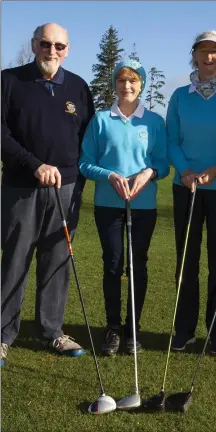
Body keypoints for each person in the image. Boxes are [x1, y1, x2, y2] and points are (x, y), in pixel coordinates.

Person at [1, 23, 95, 366]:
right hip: (21, 187)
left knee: (57, 261)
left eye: (58, 45)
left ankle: (52, 331)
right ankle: (2, 334)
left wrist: (77, 181)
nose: (51, 51)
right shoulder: (9, 81)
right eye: (45, 44)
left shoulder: (79, 87)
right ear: (34, 45)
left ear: (67, 49)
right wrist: (33, 164)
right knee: (15, 260)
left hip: (66, 191)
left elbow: (89, 140)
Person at [79, 59, 169, 356]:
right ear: (114, 84)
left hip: (143, 206)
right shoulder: (102, 120)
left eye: (133, 81)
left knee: (137, 265)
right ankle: (113, 328)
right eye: (121, 80)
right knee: (113, 264)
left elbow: (162, 163)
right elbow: (85, 163)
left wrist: (148, 173)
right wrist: (110, 175)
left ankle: (133, 329)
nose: (127, 86)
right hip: (108, 204)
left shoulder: (154, 122)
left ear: (141, 84)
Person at [166, 30, 216, 354]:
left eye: (215, 52)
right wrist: (185, 170)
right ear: (195, 55)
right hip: (185, 187)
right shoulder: (179, 96)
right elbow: (172, 140)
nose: (209, 57)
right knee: (187, 260)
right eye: (203, 51)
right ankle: (184, 331)